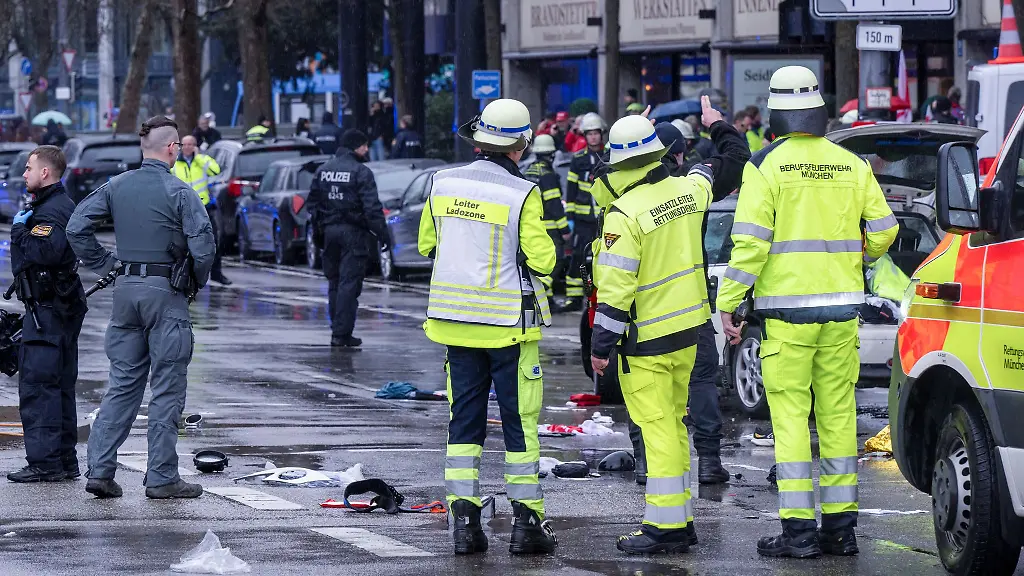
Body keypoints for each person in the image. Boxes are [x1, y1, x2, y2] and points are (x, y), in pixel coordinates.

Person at [716, 66, 898, 558]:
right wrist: (854, 260)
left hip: (786, 320)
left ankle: (798, 532)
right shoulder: (850, 163)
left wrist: (729, 303)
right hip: (841, 315)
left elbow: (750, 246)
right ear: (818, 109)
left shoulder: (765, 167)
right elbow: (884, 230)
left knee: (792, 420)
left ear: (775, 112)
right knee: (838, 417)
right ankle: (841, 530)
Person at [589, 97, 742, 554]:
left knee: (657, 431)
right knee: (674, 427)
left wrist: (600, 346)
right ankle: (680, 522)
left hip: (647, 341)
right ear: (660, 152)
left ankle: (664, 528)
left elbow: (616, 292)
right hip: (689, 332)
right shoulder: (688, 189)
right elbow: (733, 160)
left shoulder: (623, 214)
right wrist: (718, 126)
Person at [417, 98, 557, 556]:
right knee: (519, 426)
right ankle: (526, 523)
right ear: (521, 143)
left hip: (454, 326)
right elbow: (545, 259)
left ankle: (464, 524)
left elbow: (426, 245)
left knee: (465, 424)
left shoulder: (442, 182)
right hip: (506, 329)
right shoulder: (522, 192)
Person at [67, 115, 216, 499]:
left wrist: (105, 265)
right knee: (167, 387)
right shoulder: (180, 192)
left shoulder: (116, 185)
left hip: (126, 292)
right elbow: (203, 247)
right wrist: (194, 281)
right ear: (172, 148)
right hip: (166, 294)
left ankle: (100, 470)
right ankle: (163, 477)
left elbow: (76, 227)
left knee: (122, 385)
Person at [6, 146, 87, 483]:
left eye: (28, 169)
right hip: (56, 308)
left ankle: (45, 463)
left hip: (48, 310)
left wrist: (19, 232)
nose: (24, 174)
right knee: (59, 386)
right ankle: (64, 460)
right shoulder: (53, 205)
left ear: (45, 173)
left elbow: (46, 252)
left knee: (40, 387)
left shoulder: (51, 210)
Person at [306, 129, 387, 348]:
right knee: (349, 285)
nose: (367, 150)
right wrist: (382, 234)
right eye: (364, 146)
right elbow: (372, 208)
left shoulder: (323, 170)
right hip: (353, 234)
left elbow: (312, 204)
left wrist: (319, 230)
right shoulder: (361, 172)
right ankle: (341, 334)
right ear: (355, 147)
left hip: (329, 233)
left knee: (334, 283)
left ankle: (337, 329)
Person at [562, 112, 606, 311]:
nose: (593, 137)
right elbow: (571, 190)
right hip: (582, 220)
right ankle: (573, 298)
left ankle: (601, 296)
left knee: (603, 259)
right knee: (579, 256)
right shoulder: (578, 159)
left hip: (605, 219)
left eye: (596, 133)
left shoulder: (608, 157)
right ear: (585, 136)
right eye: (590, 134)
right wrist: (569, 217)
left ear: (601, 134)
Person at [172, 135, 230, 286]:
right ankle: (186, 275)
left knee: (214, 241)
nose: (188, 147)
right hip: (184, 209)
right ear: (180, 146)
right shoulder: (174, 164)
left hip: (204, 207)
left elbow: (215, 170)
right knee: (184, 244)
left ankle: (216, 273)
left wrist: (198, 158)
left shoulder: (203, 160)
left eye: (192, 144)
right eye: (185, 144)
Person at [523, 134, 569, 304]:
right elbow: (554, 205)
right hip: (549, 228)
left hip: (531, 226)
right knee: (556, 261)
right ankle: (540, 290)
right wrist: (564, 230)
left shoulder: (529, 170)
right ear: (551, 154)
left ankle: (546, 301)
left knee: (538, 262)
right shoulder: (548, 174)